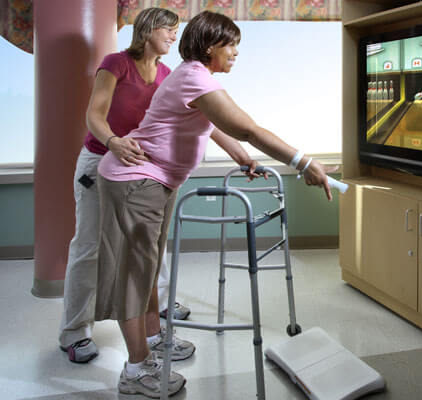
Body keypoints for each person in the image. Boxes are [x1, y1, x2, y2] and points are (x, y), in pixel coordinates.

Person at [94, 10, 337, 398]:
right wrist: (304, 163)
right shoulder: (192, 76)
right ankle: (135, 369)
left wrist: (243, 158)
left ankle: (155, 340)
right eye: (231, 45)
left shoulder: (196, 78)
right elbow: (247, 127)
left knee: (150, 267)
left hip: (155, 183)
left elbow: (217, 128)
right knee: (135, 274)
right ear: (210, 46)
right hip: (136, 182)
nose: (237, 53)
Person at [59, 7, 194, 364]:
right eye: (169, 29)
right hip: (98, 160)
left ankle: (160, 308)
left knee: (149, 244)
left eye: (176, 31)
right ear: (148, 28)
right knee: (90, 246)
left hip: (139, 168)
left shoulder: (166, 74)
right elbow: (95, 114)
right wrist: (114, 141)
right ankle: (74, 332)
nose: (173, 36)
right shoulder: (116, 63)